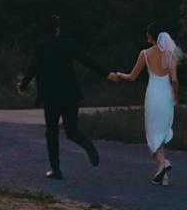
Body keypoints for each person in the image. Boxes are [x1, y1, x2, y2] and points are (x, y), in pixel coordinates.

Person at [18, 14, 120, 179]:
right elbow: (86, 60)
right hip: (71, 94)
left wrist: (23, 86)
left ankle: (55, 169)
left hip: (51, 96)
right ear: (57, 29)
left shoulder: (40, 47)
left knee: (51, 131)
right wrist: (107, 74)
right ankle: (86, 143)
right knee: (72, 131)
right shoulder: (68, 44)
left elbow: (32, 69)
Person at [116, 22, 180, 184]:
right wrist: (175, 97)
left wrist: (119, 75)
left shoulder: (144, 54)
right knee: (161, 132)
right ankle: (163, 174)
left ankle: (162, 165)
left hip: (153, 95)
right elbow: (174, 80)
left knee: (153, 133)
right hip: (166, 96)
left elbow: (132, 77)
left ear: (151, 36)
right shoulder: (170, 54)